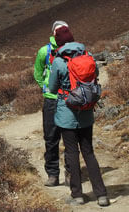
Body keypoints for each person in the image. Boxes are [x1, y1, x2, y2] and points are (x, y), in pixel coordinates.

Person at [48, 26, 110, 207]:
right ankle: (102, 195)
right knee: (89, 152)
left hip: (66, 113)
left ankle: (78, 195)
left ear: (58, 42)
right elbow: (96, 75)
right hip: (86, 112)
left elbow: (52, 88)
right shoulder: (88, 56)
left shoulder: (59, 62)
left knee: (71, 152)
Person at [33, 20, 71, 186]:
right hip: (64, 99)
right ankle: (62, 174)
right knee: (63, 138)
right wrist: (46, 88)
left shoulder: (70, 49)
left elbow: (37, 74)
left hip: (57, 100)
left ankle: (55, 175)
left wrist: (45, 88)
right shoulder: (45, 51)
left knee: (52, 138)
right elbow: (38, 72)